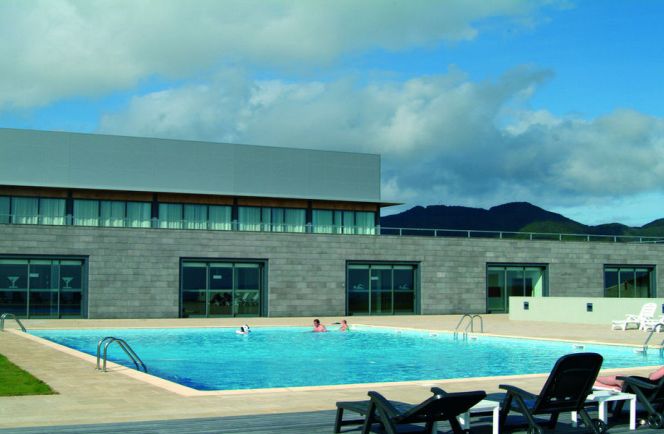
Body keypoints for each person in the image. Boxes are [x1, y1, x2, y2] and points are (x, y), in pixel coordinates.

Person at [594, 365, 664, 391]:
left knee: (619, 378)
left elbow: (652, 377)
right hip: (654, 390)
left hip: (645, 389)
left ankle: (594, 378)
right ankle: (611, 387)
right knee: (621, 379)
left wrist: (652, 374)